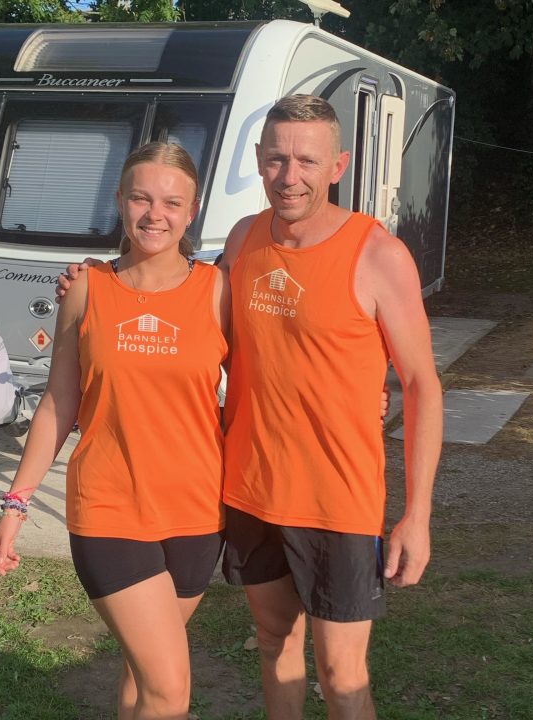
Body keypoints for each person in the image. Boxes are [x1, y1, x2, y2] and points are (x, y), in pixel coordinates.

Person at [216, 94, 443, 720]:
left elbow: (421, 384)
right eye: (276, 159)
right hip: (251, 489)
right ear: (259, 162)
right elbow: (192, 320)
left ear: (337, 165)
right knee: (274, 645)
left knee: (343, 675)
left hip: (337, 501)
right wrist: (101, 283)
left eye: (307, 162)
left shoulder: (378, 256)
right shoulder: (243, 240)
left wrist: (416, 515)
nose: (290, 177)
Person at [0, 142, 230, 720]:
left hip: (198, 515)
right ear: (119, 201)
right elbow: (56, 404)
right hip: (110, 509)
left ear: (191, 211)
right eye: (141, 198)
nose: (155, 214)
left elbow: (267, 381)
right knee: (170, 689)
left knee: (142, 672)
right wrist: (15, 503)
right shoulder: (89, 290)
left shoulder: (219, 292)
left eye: (171, 202)